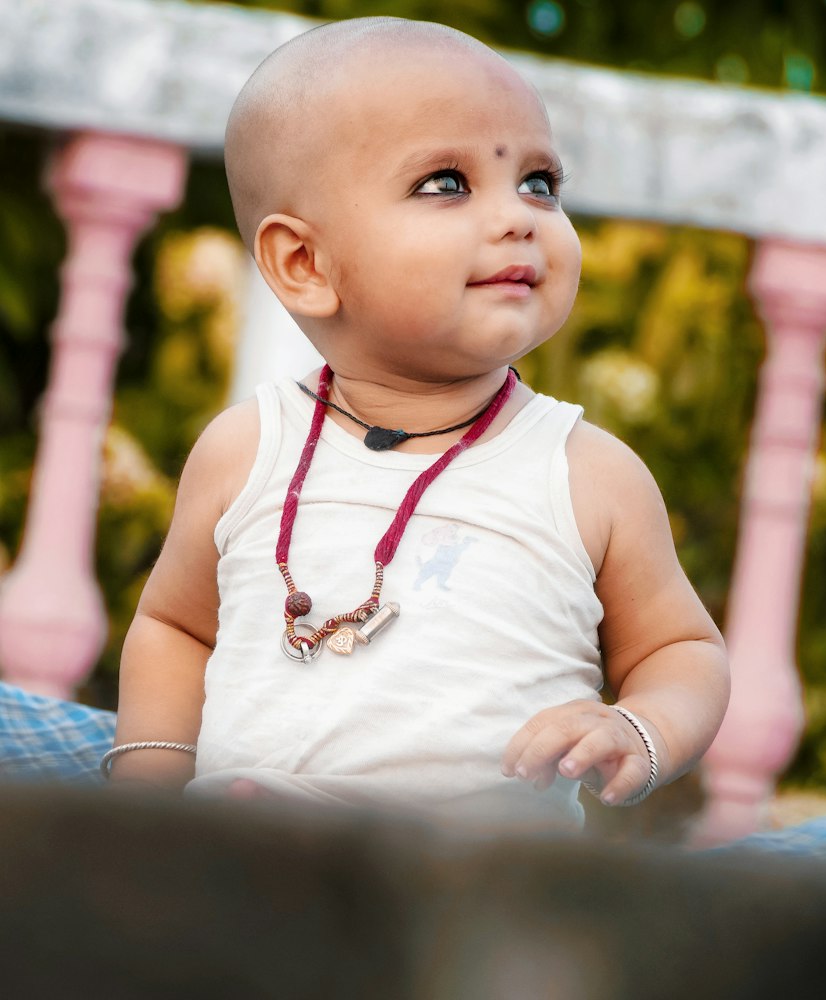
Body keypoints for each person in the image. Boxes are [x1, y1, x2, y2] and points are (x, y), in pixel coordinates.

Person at [108, 16, 729, 830]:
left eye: (540, 181)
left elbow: (681, 652)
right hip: (254, 868)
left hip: (475, 899)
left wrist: (637, 729)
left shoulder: (588, 474)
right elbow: (175, 627)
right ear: (306, 264)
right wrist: (147, 807)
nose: (519, 217)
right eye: (446, 182)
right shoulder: (246, 450)